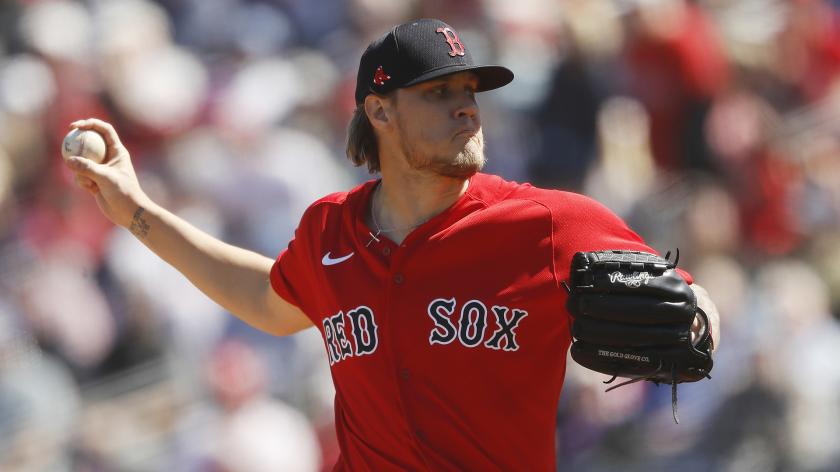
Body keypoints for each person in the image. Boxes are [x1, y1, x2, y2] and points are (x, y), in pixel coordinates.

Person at [63, 18, 720, 472]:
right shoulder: (330, 230)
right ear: (380, 112)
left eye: (470, 92)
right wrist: (137, 214)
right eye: (439, 93)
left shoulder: (545, 224)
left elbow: (688, 303)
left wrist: (698, 325)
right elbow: (268, 300)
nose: (467, 108)